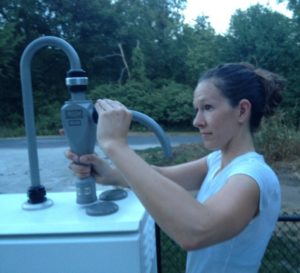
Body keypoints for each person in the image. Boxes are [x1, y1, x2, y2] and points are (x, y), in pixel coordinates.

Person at [65, 63, 285, 273]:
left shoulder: (253, 175)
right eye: (197, 110)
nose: (196, 121)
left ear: (242, 111)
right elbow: (162, 176)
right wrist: (110, 173)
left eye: (207, 107)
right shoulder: (217, 160)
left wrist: (116, 145)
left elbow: (196, 230)